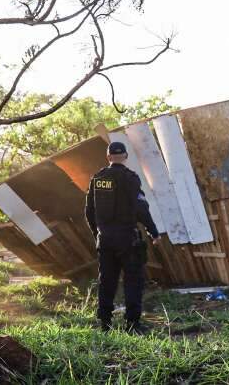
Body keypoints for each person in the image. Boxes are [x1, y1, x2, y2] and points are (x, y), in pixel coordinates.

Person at [85, 141, 161, 333]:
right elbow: (141, 208)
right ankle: (132, 325)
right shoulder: (131, 178)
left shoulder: (98, 179)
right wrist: (153, 231)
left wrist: (98, 233)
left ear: (108, 157)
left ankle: (105, 324)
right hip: (127, 239)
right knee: (133, 281)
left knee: (107, 281)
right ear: (126, 156)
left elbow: (89, 211)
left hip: (106, 239)